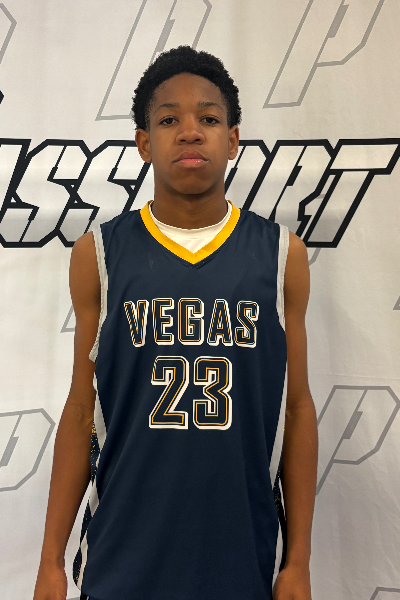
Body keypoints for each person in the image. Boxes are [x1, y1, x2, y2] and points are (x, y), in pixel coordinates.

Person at [33, 45, 318, 600]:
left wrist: (299, 561)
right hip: (120, 558)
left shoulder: (283, 255)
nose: (190, 132)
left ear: (233, 139)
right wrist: (50, 560)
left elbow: (298, 409)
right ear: (144, 143)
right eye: (169, 120)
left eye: (208, 119)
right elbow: (81, 410)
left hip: (242, 555)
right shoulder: (99, 254)